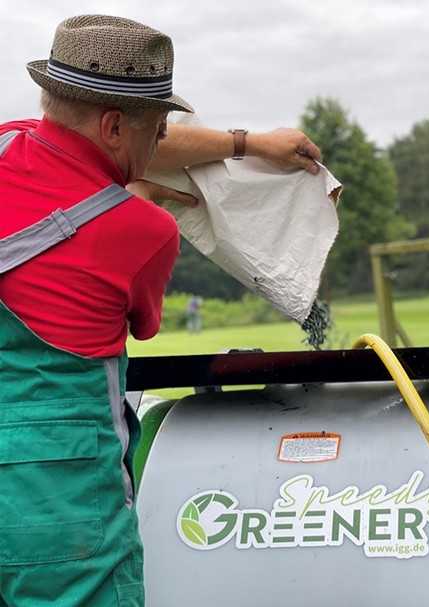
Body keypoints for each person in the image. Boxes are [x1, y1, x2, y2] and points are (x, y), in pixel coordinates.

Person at [0, 15, 321, 606]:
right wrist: (135, 201)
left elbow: (99, 148)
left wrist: (247, 144)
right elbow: (142, 324)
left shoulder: (9, 137)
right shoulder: (140, 230)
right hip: (57, 496)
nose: (161, 146)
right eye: (159, 129)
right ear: (116, 125)